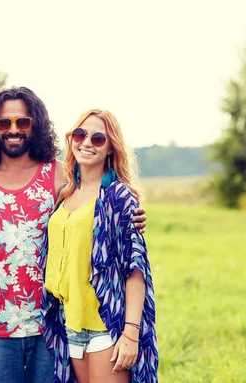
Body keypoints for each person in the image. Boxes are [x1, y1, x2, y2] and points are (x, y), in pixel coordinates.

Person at [0, 87, 148, 383]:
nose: (13, 130)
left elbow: (104, 205)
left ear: (35, 125)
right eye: (4, 123)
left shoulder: (57, 176)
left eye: (23, 122)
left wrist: (135, 216)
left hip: (51, 324)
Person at [40, 109, 158, 383]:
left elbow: (135, 269)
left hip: (107, 325)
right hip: (70, 323)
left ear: (110, 148)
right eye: (79, 135)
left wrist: (130, 334)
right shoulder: (65, 194)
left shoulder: (118, 196)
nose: (86, 143)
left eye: (97, 138)